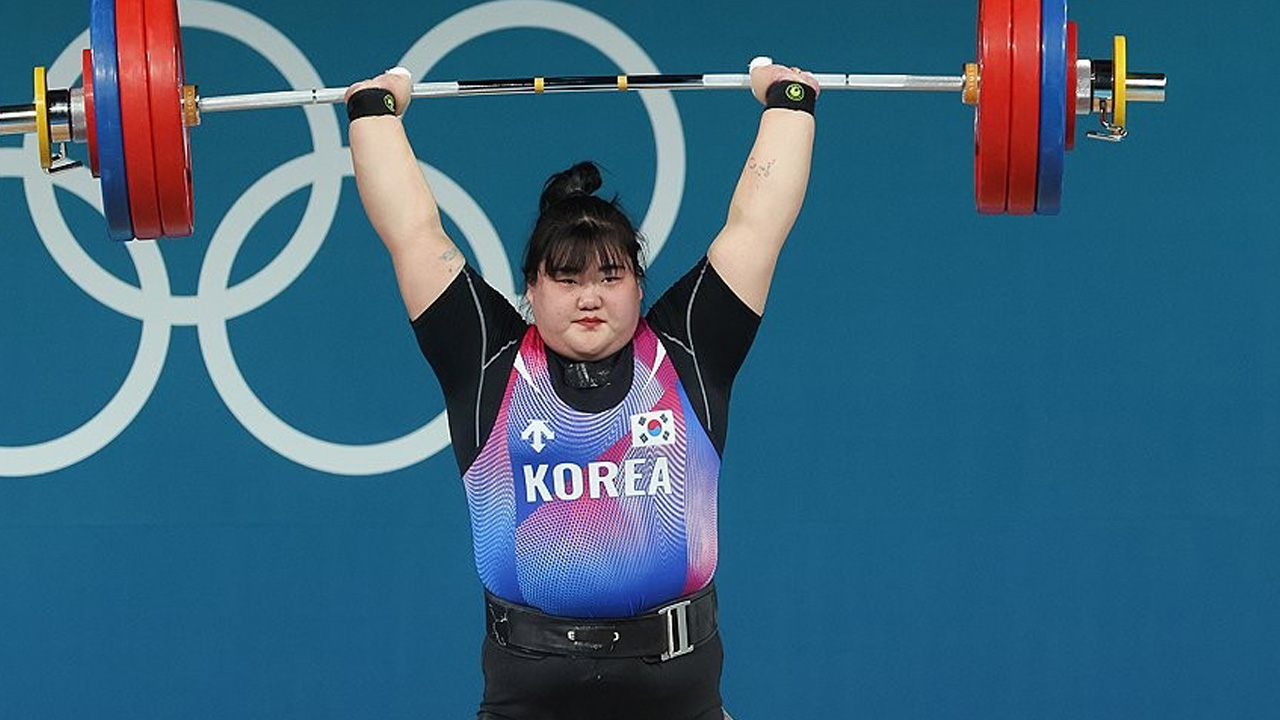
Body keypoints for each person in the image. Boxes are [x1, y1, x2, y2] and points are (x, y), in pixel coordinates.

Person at [345, 59, 818, 720]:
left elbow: (756, 228)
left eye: (610, 276)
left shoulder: (686, 348)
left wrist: (789, 104)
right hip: (526, 693)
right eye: (566, 279)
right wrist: (374, 114)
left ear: (638, 285)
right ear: (531, 290)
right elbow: (414, 235)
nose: (590, 296)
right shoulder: (489, 360)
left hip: (679, 694)